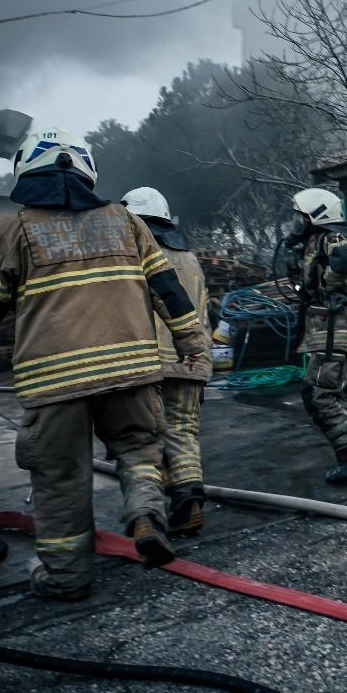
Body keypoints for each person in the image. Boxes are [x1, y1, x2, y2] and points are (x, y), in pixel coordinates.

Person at [0, 129, 210, 600]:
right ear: (86, 170)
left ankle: (68, 578)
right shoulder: (128, 223)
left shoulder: (11, 230)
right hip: (130, 369)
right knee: (138, 450)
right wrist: (192, 340)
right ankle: (147, 515)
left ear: (26, 170)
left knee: (61, 477)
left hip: (55, 382)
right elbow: (168, 289)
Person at [121, 187, 212, 537]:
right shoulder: (189, 257)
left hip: (148, 361)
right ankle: (188, 503)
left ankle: (149, 515)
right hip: (191, 360)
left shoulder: (135, 253)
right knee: (183, 431)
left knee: (145, 437)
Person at [288, 187, 347, 483]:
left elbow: (345, 258)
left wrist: (329, 284)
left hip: (336, 331)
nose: (296, 222)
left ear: (317, 215)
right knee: (336, 395)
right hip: (327, 331)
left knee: (318, 395)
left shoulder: (332, 238)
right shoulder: (315, 241)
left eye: (301, 216)